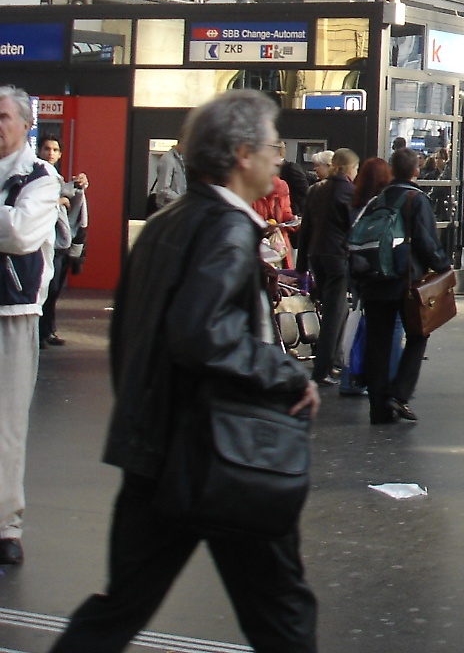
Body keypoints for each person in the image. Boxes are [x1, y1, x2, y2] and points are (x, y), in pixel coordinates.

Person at [50, 90, 319, 649]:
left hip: (155, 450)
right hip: (221, 455)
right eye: (272, 146)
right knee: (281, 612)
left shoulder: (169, 222)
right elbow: (203, 333)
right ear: (243, 154)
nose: (279, 156)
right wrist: (285, 374)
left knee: (120, 606)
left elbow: (133, 333)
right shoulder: (225, 229)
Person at [0, 86, 58, 567]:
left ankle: (5, 525)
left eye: (2, 117)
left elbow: (21, 234)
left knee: (7, 424)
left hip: (13, 313)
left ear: (23, 125)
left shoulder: (40, 177)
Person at [355, 148, 449, 425]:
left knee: (377, 343)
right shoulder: (415, 199)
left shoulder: (376, 199)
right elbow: (425, 240)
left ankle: (378, 408)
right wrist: (442, 265)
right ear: (416, 171)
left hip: (373, 279)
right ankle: (399, 393)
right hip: (404, 279)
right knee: (419, 333)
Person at [301, 147, 358, 385]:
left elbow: (306, 227)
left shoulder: (316, 189)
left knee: (335, 309)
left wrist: (301, 263)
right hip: (338, 256)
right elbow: (353, 229)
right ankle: (323, 368)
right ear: (349, 168)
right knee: (335, 312)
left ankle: (331, 361)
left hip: (317, 255)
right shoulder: (349, 192)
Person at [37, 137, 88, 348]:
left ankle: (48, 330)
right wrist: (58, 201)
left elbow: (68, 193)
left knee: (54, 289)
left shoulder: (56, 179)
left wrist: (77, 186)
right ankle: (40, 333)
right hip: (43, 240)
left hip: (59, 242)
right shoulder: (35, 175)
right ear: (39, 151)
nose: (50, 153)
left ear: (60, 154)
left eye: (55, 149)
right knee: (45, 289)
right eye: (47, 149)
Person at [150, 139, 185, 211]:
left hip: (177, 208)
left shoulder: (181, 159)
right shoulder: (168, 160)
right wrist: (183, 200)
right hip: (168, 209)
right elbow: (163, 190)